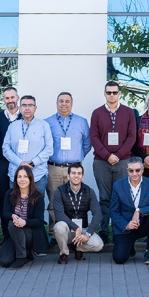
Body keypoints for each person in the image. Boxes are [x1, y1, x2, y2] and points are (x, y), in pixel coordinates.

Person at [92, 81, 138, 234]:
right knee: (104, 198)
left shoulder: (128, 112)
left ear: (119, 94)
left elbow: (132, 136)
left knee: (122, 197)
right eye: (108, 92)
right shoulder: (97, 113)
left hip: (123, 161)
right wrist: (107, 155)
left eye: (114, 92)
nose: (111, 95)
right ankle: (104, 231)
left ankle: (121, 231)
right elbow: (94, 137)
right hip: (101, 162)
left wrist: (117, 156)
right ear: (104, 94)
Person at [45, 92, 91, 232]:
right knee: (54, 202)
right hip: (54, 168)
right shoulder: (47, 122)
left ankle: (74, 234)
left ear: (72, 104)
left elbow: (87, 143)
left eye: (67, 101)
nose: (64, 104)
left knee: (76, 202)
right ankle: (54, 234)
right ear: (56, 103)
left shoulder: (81, 121)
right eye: (61, 101)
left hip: (74, 169)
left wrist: (77, 158)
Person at [2, 94, 53, 215]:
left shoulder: (44, 126)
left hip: (37, 174)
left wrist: (33, 162)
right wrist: (21, 163)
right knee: (17, 209)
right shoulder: (12, 126)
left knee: (35, 210)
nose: (27, 108)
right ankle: (16, 233)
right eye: (24, 105)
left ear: (35, 108)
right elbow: (5, 148)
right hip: (16, 174)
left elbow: (49, 148)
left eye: (30, 105)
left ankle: (36, 234)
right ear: (19, 108)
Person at [110, 157, 149, 265]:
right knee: (119, 259)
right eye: (131, 170)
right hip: (126, 225)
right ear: (127, 170)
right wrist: (126, 225)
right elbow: (114, 211)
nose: (134, 173)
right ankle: (130, 247)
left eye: (137, 170)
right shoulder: (118, 186)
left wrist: (140, 211)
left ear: (143, 170)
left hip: (143, 223)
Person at [51, 163, 104, 264]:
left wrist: (88, 234)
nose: (76, 176)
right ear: (68, 176)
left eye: (79, 173)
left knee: (98, 245)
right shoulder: (60, 191)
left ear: (82, 177)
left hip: (83, 230)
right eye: (73, 173)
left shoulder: (89, 191)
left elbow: (98, 214)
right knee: (59, 226)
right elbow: (59, 215)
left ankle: (77, 248)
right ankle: (64, 253)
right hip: (67, 229)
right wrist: (76, 228)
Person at [0, 165, 48, 269]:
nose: (22, 179)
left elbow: (39, 221)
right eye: (19, 177)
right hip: (14, 233)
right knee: (5, 261)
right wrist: (13, 215)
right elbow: (5, 213)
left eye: (25, 176)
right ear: (15, 179)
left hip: (31, 233)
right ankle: (27, 253)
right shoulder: (10, 193)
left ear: (30, 179)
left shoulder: (38, 197)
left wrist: (25, 222)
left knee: (13, 224)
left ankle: (22, 257)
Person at [0, 87, 21, 214]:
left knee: (20, 194)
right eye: (7, 98)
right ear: (4, 100)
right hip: (2, 162)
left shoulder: (24, 116)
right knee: (4, 195)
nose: (10, 100)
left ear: (17, 98)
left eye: (12, 97)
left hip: (20, 161)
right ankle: (6, 231)